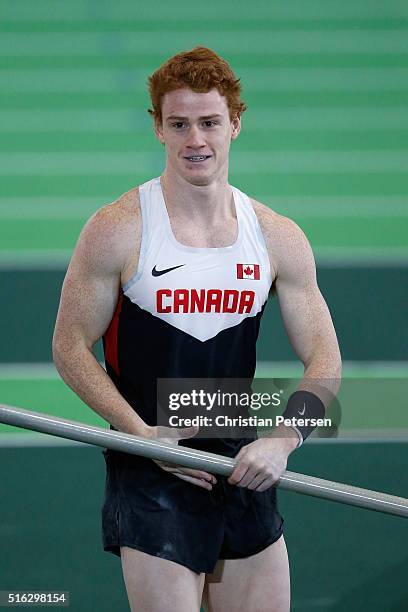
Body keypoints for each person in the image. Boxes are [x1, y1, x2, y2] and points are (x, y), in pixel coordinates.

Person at [53, 46, 341, 612]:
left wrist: (284, 441)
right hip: (153, 467)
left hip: (243, 467)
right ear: (158, 128)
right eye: (178, 124)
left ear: (235, 122)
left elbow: (326, 360)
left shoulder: (277, 236)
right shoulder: (118, 228)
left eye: (209, 122)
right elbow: (68, 346)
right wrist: (140, 433)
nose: (195, 140)